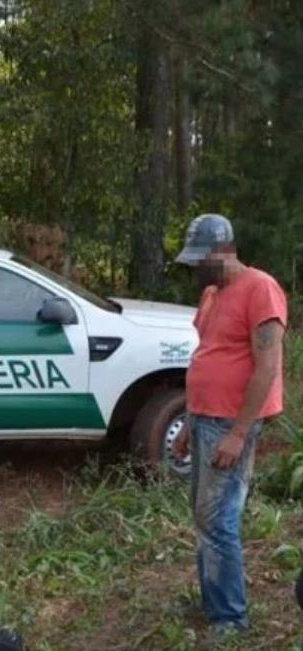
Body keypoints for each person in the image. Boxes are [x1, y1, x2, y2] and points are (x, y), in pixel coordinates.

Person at [172, 213, 287, 638]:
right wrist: (188, 420)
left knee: (219, 519)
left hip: (229, 423)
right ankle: (212, 601)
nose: (196, 268)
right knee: (202, 515)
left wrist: (239, 433)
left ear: (223, 252)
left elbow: (268, 366)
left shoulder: (261, 289)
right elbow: (207, 357)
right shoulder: (211, 293)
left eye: (202, 260)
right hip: (204, 417)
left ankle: (230, 619)